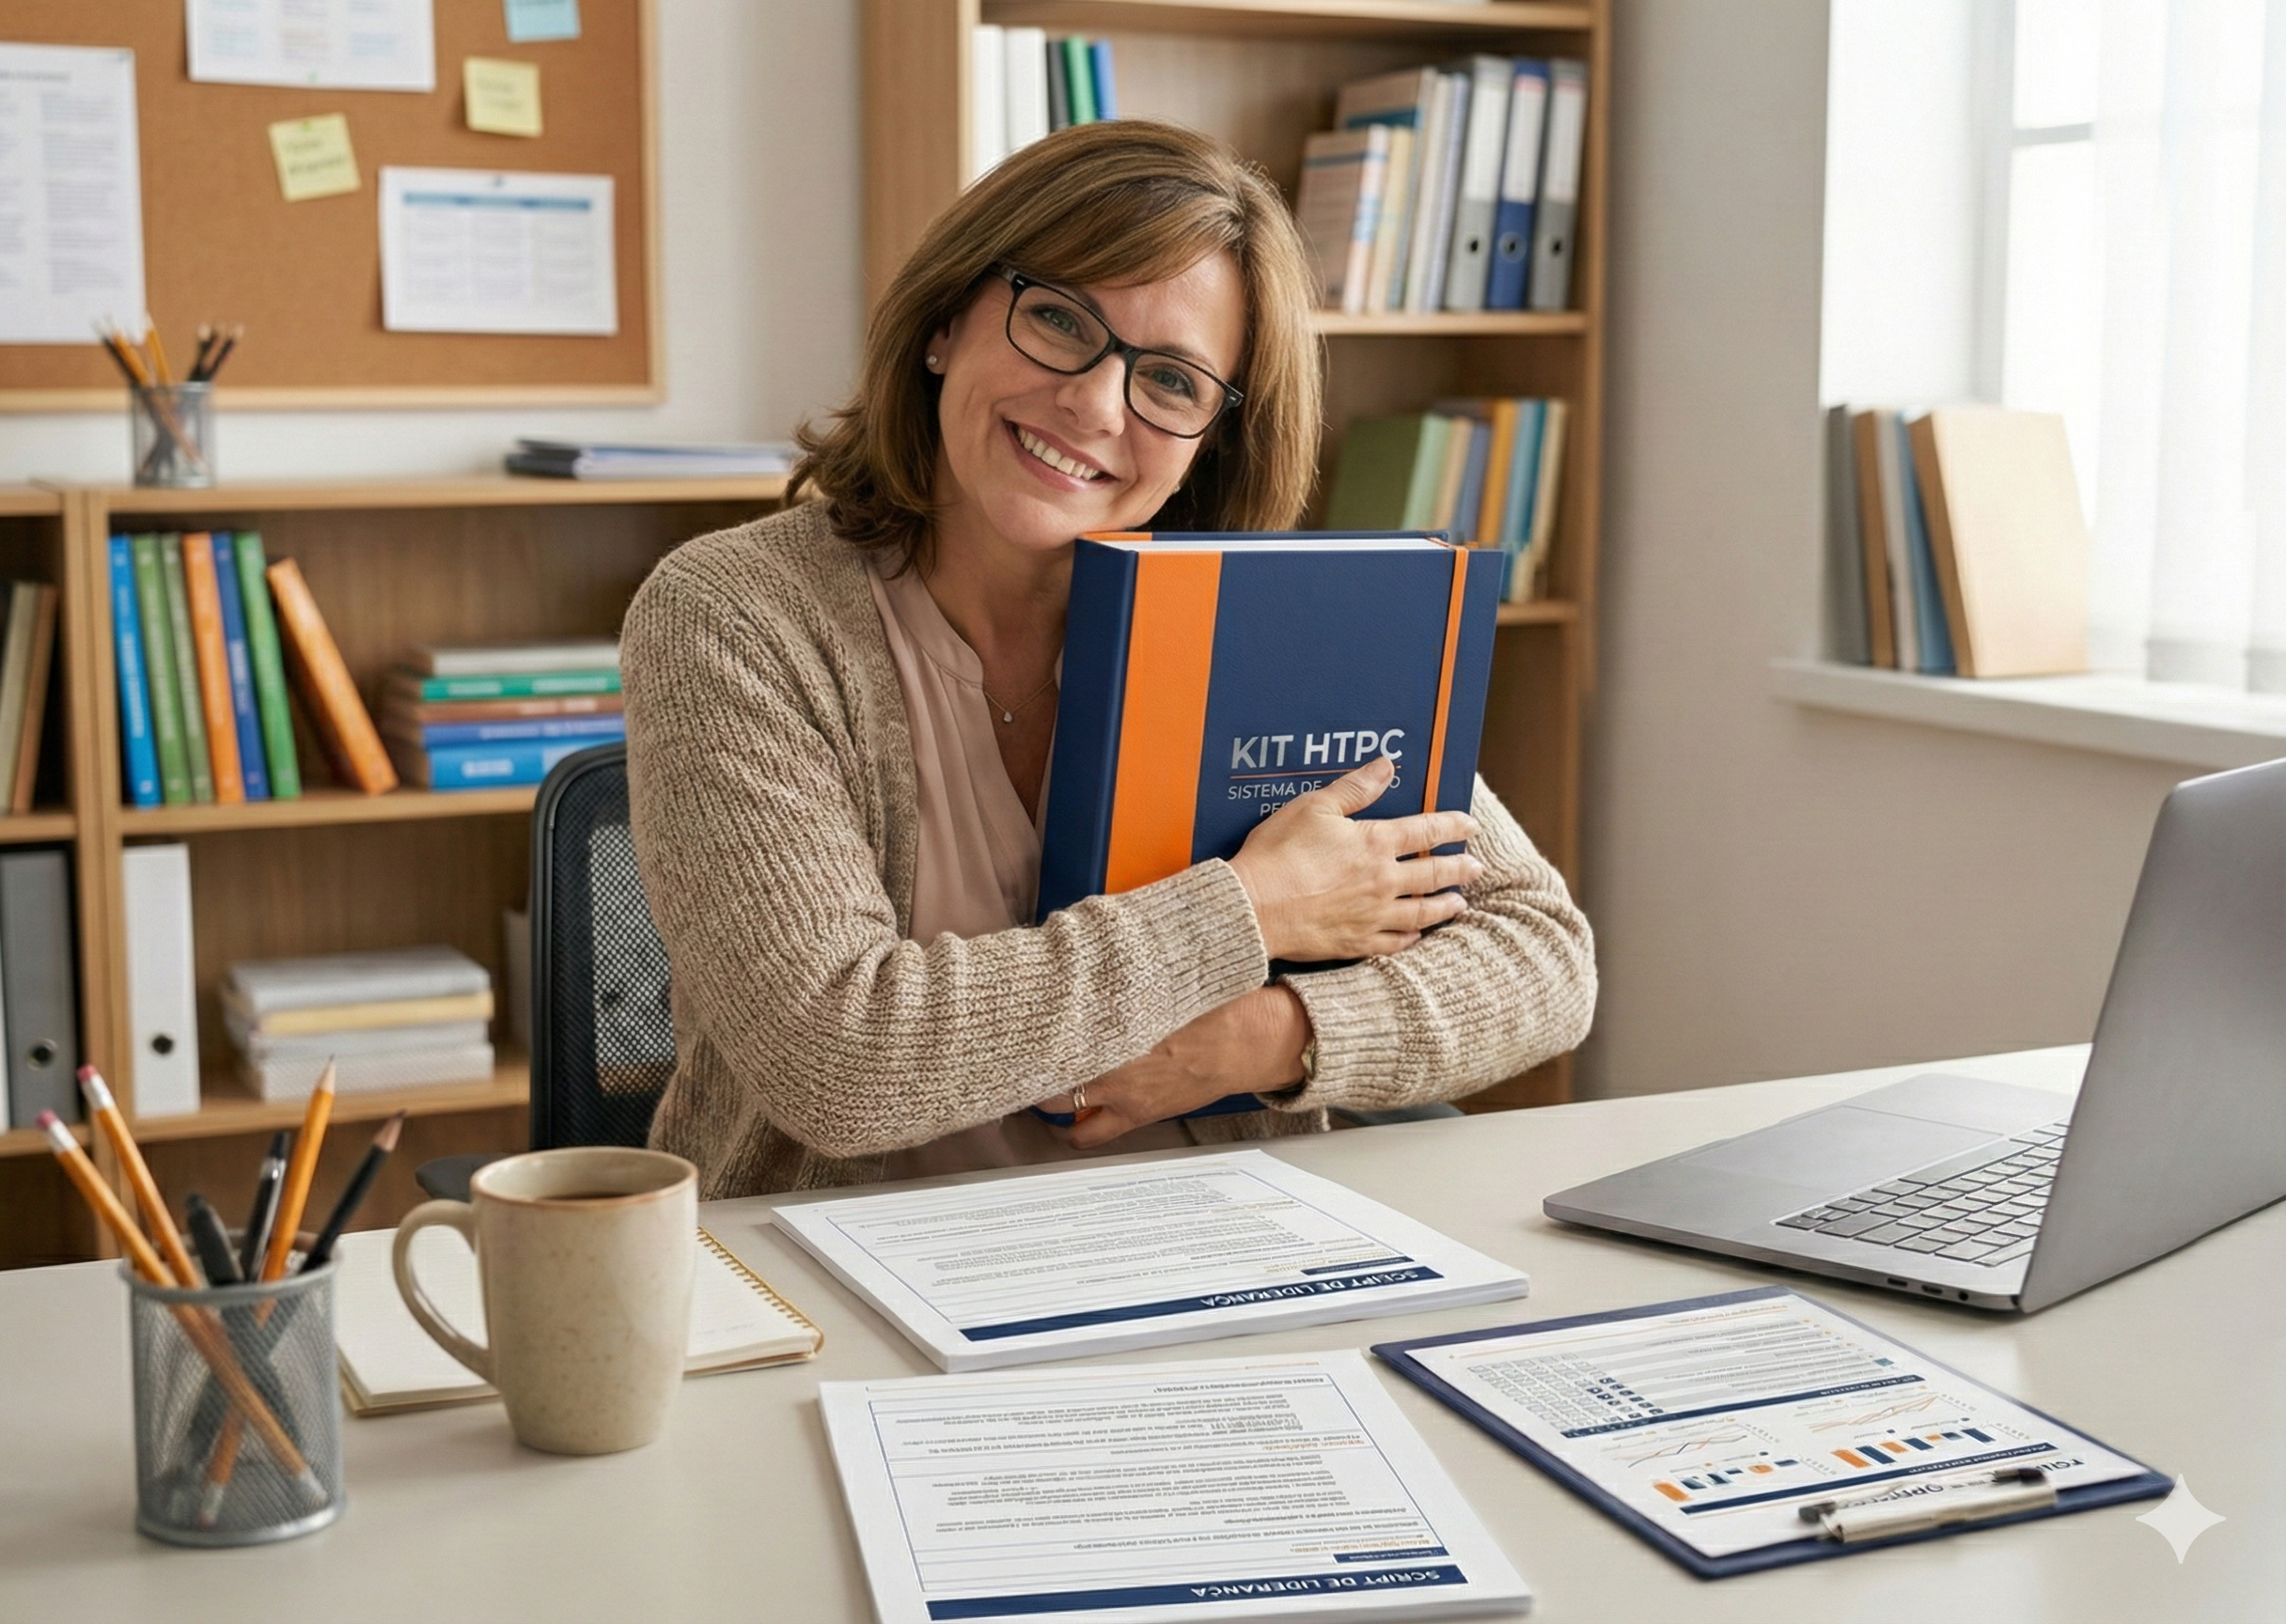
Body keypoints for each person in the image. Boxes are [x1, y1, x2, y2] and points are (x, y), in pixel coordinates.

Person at [622, 120, 1595, 1199]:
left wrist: (1255, 1042)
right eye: (1057, 319)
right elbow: (840, 1061)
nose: (1092, 404)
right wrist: (1249, 910)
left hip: (1216, 1239)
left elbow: (1542, 956)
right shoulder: (734, 616)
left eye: (1171, 382)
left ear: (1208, 444)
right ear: (945, 321)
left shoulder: (1263, 624)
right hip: (833, 1261)